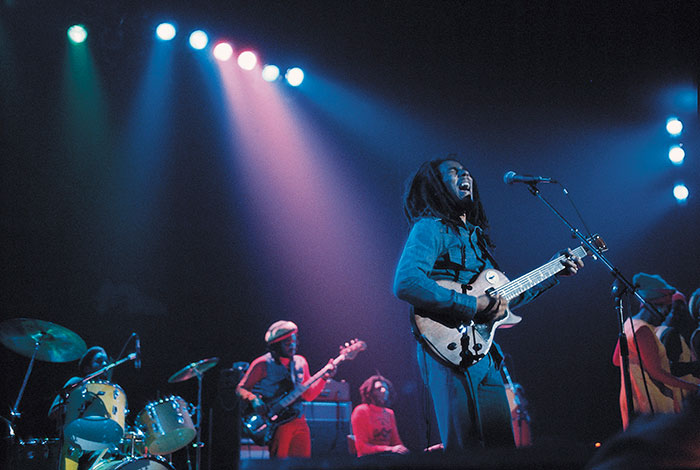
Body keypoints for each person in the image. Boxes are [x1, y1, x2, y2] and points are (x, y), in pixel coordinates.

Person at [393, 157, 583, 451]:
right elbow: (407, 282)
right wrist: (471, 304)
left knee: (501, 449)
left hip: (485, 353)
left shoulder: (477, 239)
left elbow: (504, 300)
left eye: (466, 171)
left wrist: (553, 271)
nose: (465, 175)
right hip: (447, 349)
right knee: (465, 449)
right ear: (436, 185)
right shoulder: (430, 228)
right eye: (454, 172)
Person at [612, 273, 700, 429]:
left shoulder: (629, 324)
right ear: (654, 304)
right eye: (666, 307)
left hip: (636, 398)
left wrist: (636, 367)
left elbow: (617, 361)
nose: (667, 312)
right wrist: (694, 388)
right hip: (652, 400)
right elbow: (657, 373)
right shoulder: (643, 330)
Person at [236, 320, 336, 458]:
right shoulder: (262, 363)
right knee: (279, 465)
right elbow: (240, 389)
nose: (293, 346)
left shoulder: (301, 362)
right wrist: (253, 399)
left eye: (294, 342)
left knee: (303, 465)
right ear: (276, 346)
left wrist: (324, 378)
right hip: (277, 424)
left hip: (299, 421)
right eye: (288, 344)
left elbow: (308, 395)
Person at [49, 346, 114, 470]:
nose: (105, 364)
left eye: (106, 361)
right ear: (87, 368)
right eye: (99, 361)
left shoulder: (105, 393)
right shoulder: (77, 382)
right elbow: (52, 412)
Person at [350, 374, 408, 457]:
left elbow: (396, 441)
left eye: (386, 388)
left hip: (387, 457)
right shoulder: (361, 411)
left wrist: (402, 450)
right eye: (379, 388)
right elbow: (362, 447)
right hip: (368, 460)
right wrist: (389, 449)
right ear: (369, 393)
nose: (384, 391)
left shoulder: (389, 413)